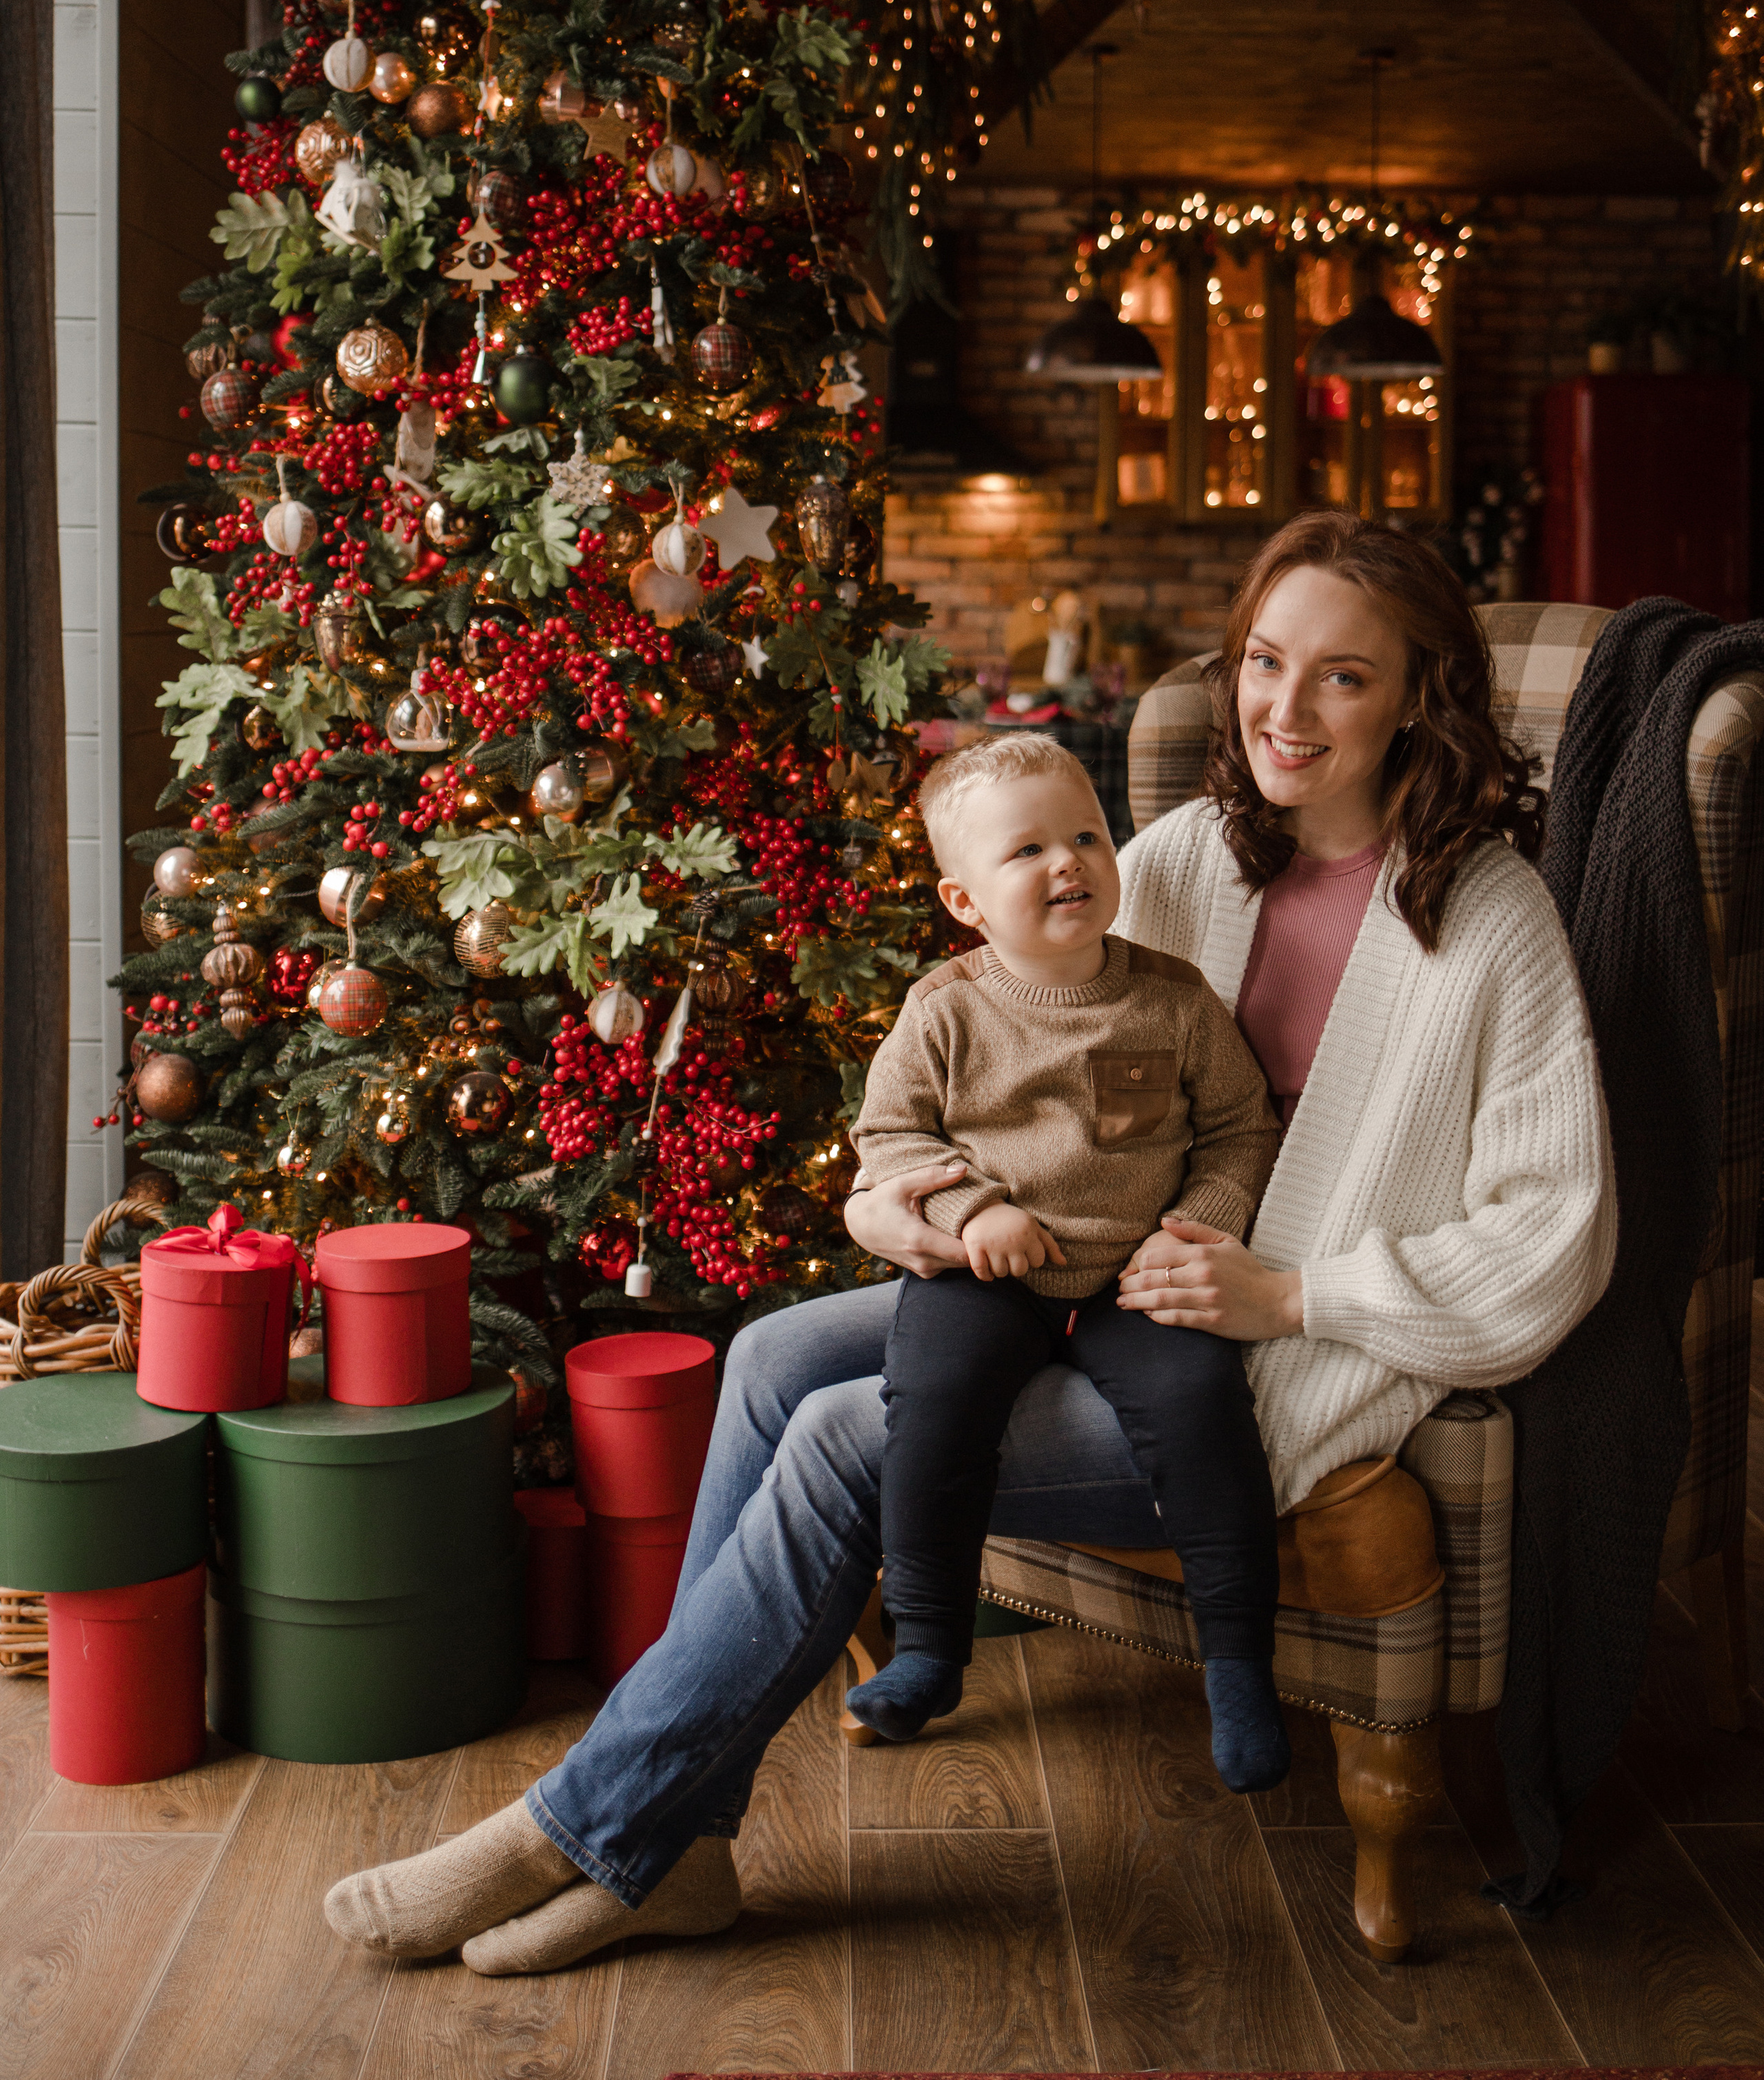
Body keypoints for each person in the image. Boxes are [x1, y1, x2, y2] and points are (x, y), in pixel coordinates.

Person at [323, 509, 1616, 1979]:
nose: (1281, 708)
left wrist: (1292, 1291)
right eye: (1264, 662)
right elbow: (1022, 1038)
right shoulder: (1186, 856)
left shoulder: (1489, 917)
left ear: (1418, 695)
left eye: (1341, 677)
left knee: (841, 1439)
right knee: (769, 1359)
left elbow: (1554, 1233)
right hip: (1069, 1281)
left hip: (1265, 1368)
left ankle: (577, 1829)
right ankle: (677, 1850)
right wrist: (913, 1208)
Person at [847, 733, 1286, 1786]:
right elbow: (892, 1140)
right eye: (1027, 850)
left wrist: (1199, 1225)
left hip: (1140, 1273)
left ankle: (1237, 1667)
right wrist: (969, 1208)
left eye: (1087, 835)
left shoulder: (1173, 1000)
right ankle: (932, 1648)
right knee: (935, 1404)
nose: (1068, 862)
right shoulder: (943, 1008)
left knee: (1204, 1411)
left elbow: (1240, 1128)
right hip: (990, 1276)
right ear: (965, 901)